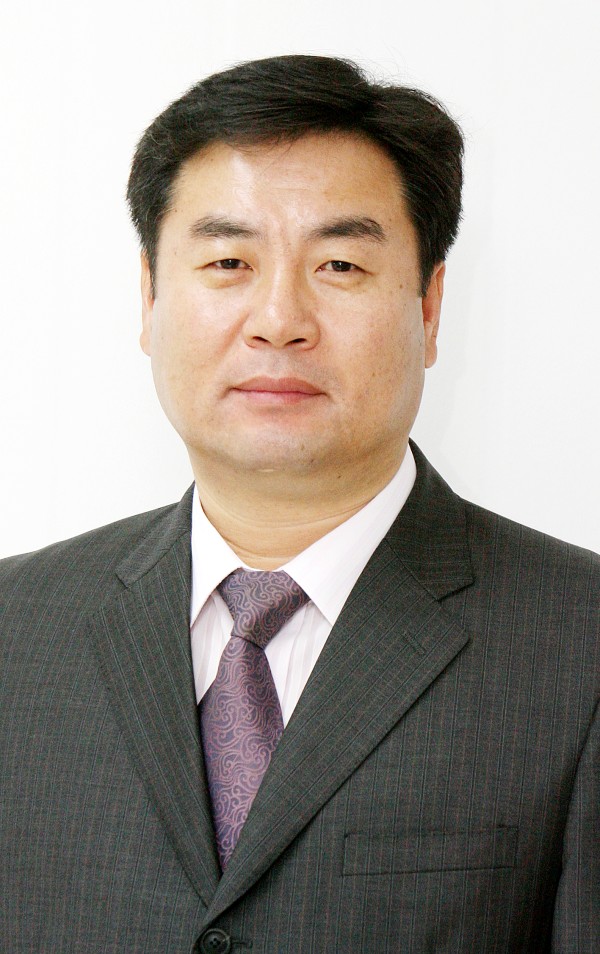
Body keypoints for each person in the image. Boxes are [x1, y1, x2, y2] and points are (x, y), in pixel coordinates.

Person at [0, 54, 598, 954]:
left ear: (430, 307)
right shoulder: (14, 629)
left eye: (341, 264)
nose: (279, 319)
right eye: (228, 261)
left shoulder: (581, 644)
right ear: (150, 297)